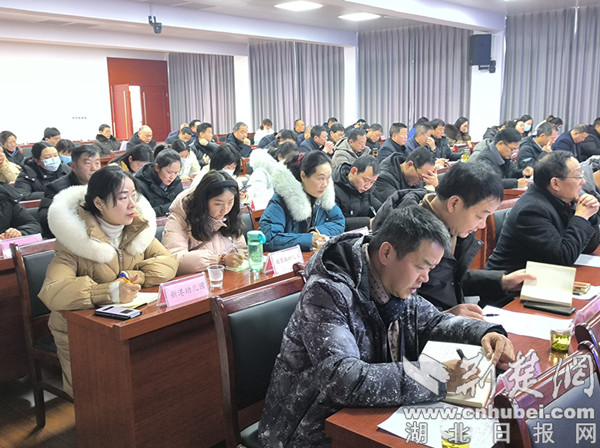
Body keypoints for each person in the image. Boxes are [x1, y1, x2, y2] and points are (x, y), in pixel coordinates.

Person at [259, 206, 514, 448]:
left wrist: (485, 333)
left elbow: (434, 321)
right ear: (387, 253)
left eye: (430, 269)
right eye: (421, 267)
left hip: (368, 417)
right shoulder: (327, 292)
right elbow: (344, 380)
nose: (425, 278)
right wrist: (439, 376)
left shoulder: (393, 281)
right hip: (308, 429)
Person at [38, 166, 178, 396]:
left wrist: (134, 277)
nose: (132, 204)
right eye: (123, 198)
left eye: (134, 195)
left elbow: (168, 263)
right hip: (82, 333)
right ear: (99, 203)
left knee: (153, 384)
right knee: (103, 399)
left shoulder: (136, 228)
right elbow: (52, 291)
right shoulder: (73, 239)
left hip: (128, 322)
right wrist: (109, 291)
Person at [373, 163, 533, 313]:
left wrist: (501, 281)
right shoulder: (407, 232)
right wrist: (445, 317)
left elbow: (450, 280)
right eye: (480, 216)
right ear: (454, 203)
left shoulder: (453, 227)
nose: (483, 225)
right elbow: (392, 305)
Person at [486, 150, 600, 274]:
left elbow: (588, 247)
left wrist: (589, 215)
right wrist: (581, 217)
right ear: (555, 183)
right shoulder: (532, 210)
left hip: (544, 276)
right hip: (512, 282)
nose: (583, 181)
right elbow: (562, 257)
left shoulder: (563, 199)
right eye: (578, 176)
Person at [162, 171, 247, 275]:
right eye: (218, 204)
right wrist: (219, 260)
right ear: (203, 201)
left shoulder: (231, 215)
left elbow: (241, 249)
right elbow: (175, 259)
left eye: (230, 202)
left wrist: (240, 258)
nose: (225, 209)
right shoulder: (180, 217)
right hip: (197, 280)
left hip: (228, 278)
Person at [259, 151, 345, 252]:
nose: (325, 184)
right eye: (321, 178)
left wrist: (316, 231)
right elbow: (269, 238)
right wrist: (309, 239)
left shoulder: (323, 197)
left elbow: (339, 221)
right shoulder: (281, 200)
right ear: (303, 176)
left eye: (328, 178)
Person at [38, 145, 101, 237]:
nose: (94, 168)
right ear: (73, 166)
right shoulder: (56, 188)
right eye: (88, 163)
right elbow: (46, 219)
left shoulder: (104, 184)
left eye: (97, 163)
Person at [468, 128, 532, 189]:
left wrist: (523, 173)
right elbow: (489, 182)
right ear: (500, 144)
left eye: (516, 150)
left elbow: (510, 173)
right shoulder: (485, 159)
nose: (513, 153)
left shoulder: (504, 155)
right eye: (512, 149)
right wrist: (515, 183)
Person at [372, 147, 438, 204]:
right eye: (421, 178)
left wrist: (436, 187)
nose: (421, 182)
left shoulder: (417, 175)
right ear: (409, 165)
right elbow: (400, 206)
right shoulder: (384, 178)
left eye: (425, 178)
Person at [333, 155, 381, 231]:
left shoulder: (365, 189)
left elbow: (378, 206)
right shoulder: (333, 190)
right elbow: (335, 222)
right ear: (353, 171)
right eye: (366, 180)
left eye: (372, 182)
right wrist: (368, 223)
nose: (368, 186)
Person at [247, 142, 299, 209]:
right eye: (290, 160)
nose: (293, 164)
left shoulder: (290, 171)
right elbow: (257, 195)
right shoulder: (261, 171)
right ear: (280, 157)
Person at [135, 149, 183, 217]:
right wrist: (173, 206)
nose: (172, 177)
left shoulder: (176, 181)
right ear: (157, 168)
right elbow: (142, 213)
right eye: (169, 172)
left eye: (176, 172)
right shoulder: (139, 184)